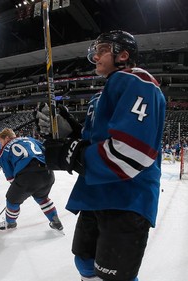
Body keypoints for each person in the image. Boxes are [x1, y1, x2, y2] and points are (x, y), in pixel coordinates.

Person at [36, 30, 166, 281]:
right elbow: (96, 140)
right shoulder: (102, 95)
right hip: (97, 194)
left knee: (115, 276)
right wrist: (70, 130)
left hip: (127, 197)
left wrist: (69, 153)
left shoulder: (137, 81)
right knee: (84, 261)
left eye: (103, 49)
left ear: (123, 55)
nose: (96, 56)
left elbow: (131, 153)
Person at [0, 128, 63, 231]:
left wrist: (19, 190)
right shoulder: (30, 139)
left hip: (27, 177)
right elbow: (46, 150)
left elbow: (10, 177)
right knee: (43, 198)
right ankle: (56, 221)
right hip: (47, 173)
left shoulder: (4, 151)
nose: (0, 144)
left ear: (7, 138)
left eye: (1, 141)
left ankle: (10, 223)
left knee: (12, 200)